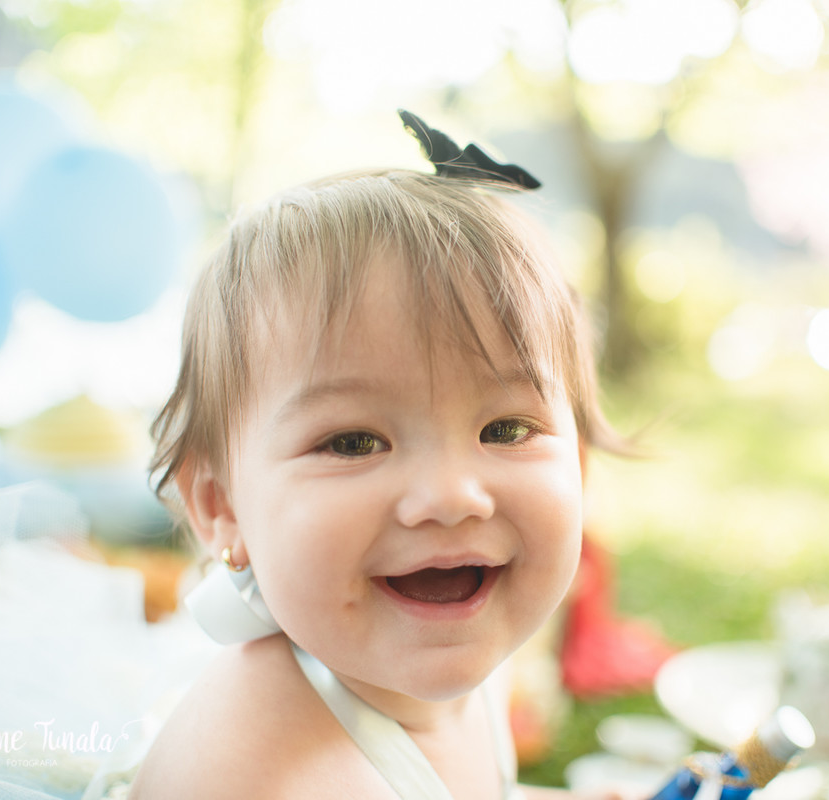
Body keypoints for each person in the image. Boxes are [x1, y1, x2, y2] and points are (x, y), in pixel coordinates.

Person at [130, 112, 633, 800]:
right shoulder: (256, 771)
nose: (453, 495)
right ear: (223, 508)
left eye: (507, 429)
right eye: (353, 443)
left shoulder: (475, 663)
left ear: (578, 465)